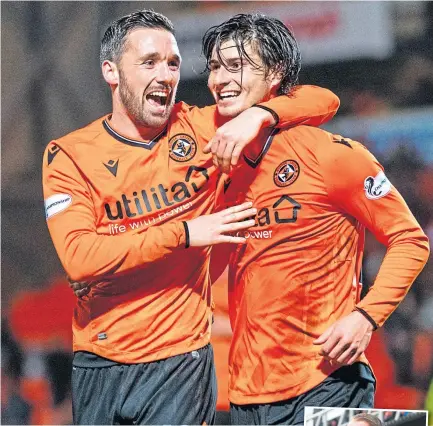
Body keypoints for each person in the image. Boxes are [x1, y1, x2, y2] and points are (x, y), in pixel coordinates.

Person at [43, 9, 339, 425]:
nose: (165, 74)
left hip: (180, 363)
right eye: (149, 62)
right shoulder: (69, 154)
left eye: (173, 63)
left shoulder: (201, 128)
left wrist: (260, 115)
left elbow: (323, 99)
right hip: (100, 360)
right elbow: (80, 257)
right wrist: (185, 232)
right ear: (111, 72)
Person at [202, 13, 430, 425]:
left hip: (325, 378)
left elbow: (411, 241)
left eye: (236, 65)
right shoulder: (221, 166)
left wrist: (366, 315)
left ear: (274, 73)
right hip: (244, 393)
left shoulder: (334, 156)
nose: (220, 79)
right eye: (215, 67)